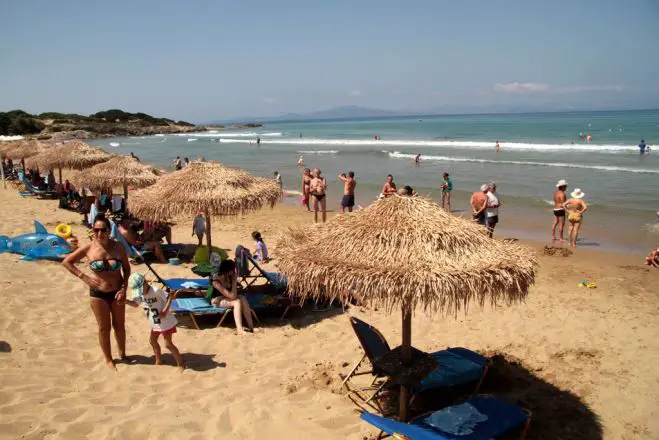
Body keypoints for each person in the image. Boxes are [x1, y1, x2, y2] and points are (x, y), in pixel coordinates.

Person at [62, 214, 130, 369]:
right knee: (103, 328)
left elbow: (126, 268)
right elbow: (66, 262)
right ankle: (108, 359)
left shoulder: (118, 247)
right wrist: (84, 277)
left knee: (119, 326)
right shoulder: (88, 248)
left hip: (117, 292)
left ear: (109, 230)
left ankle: (123, 354)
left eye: (103, 230)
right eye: (96, 230)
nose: (100, 233)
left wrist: (124, 287)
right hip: (98, 294)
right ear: (93, 230)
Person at [126, 273, 184, 370]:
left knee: (168, 344)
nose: (140, 293)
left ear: (145, 283)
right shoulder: (140, 294)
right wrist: (126, 301)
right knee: (152, 341)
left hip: (166, 322)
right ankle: (158, 361)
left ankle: (181, 363)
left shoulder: (156, 291)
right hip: (155, 323)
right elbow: (136, 304)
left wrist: (165, 309)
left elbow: (170, 298)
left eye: (141, 290)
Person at [209, 259, 256, 334]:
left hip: (227, 298)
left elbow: (234, 294)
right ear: (227, 270)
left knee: (242, 298)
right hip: (217, 301)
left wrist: (234, 281)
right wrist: (234, 282)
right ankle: (239, 329)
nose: (234, 272)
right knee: (236, 302)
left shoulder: (229, 277)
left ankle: (251, 327)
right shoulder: (216, 281)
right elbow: (233, 296)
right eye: (233, 270)